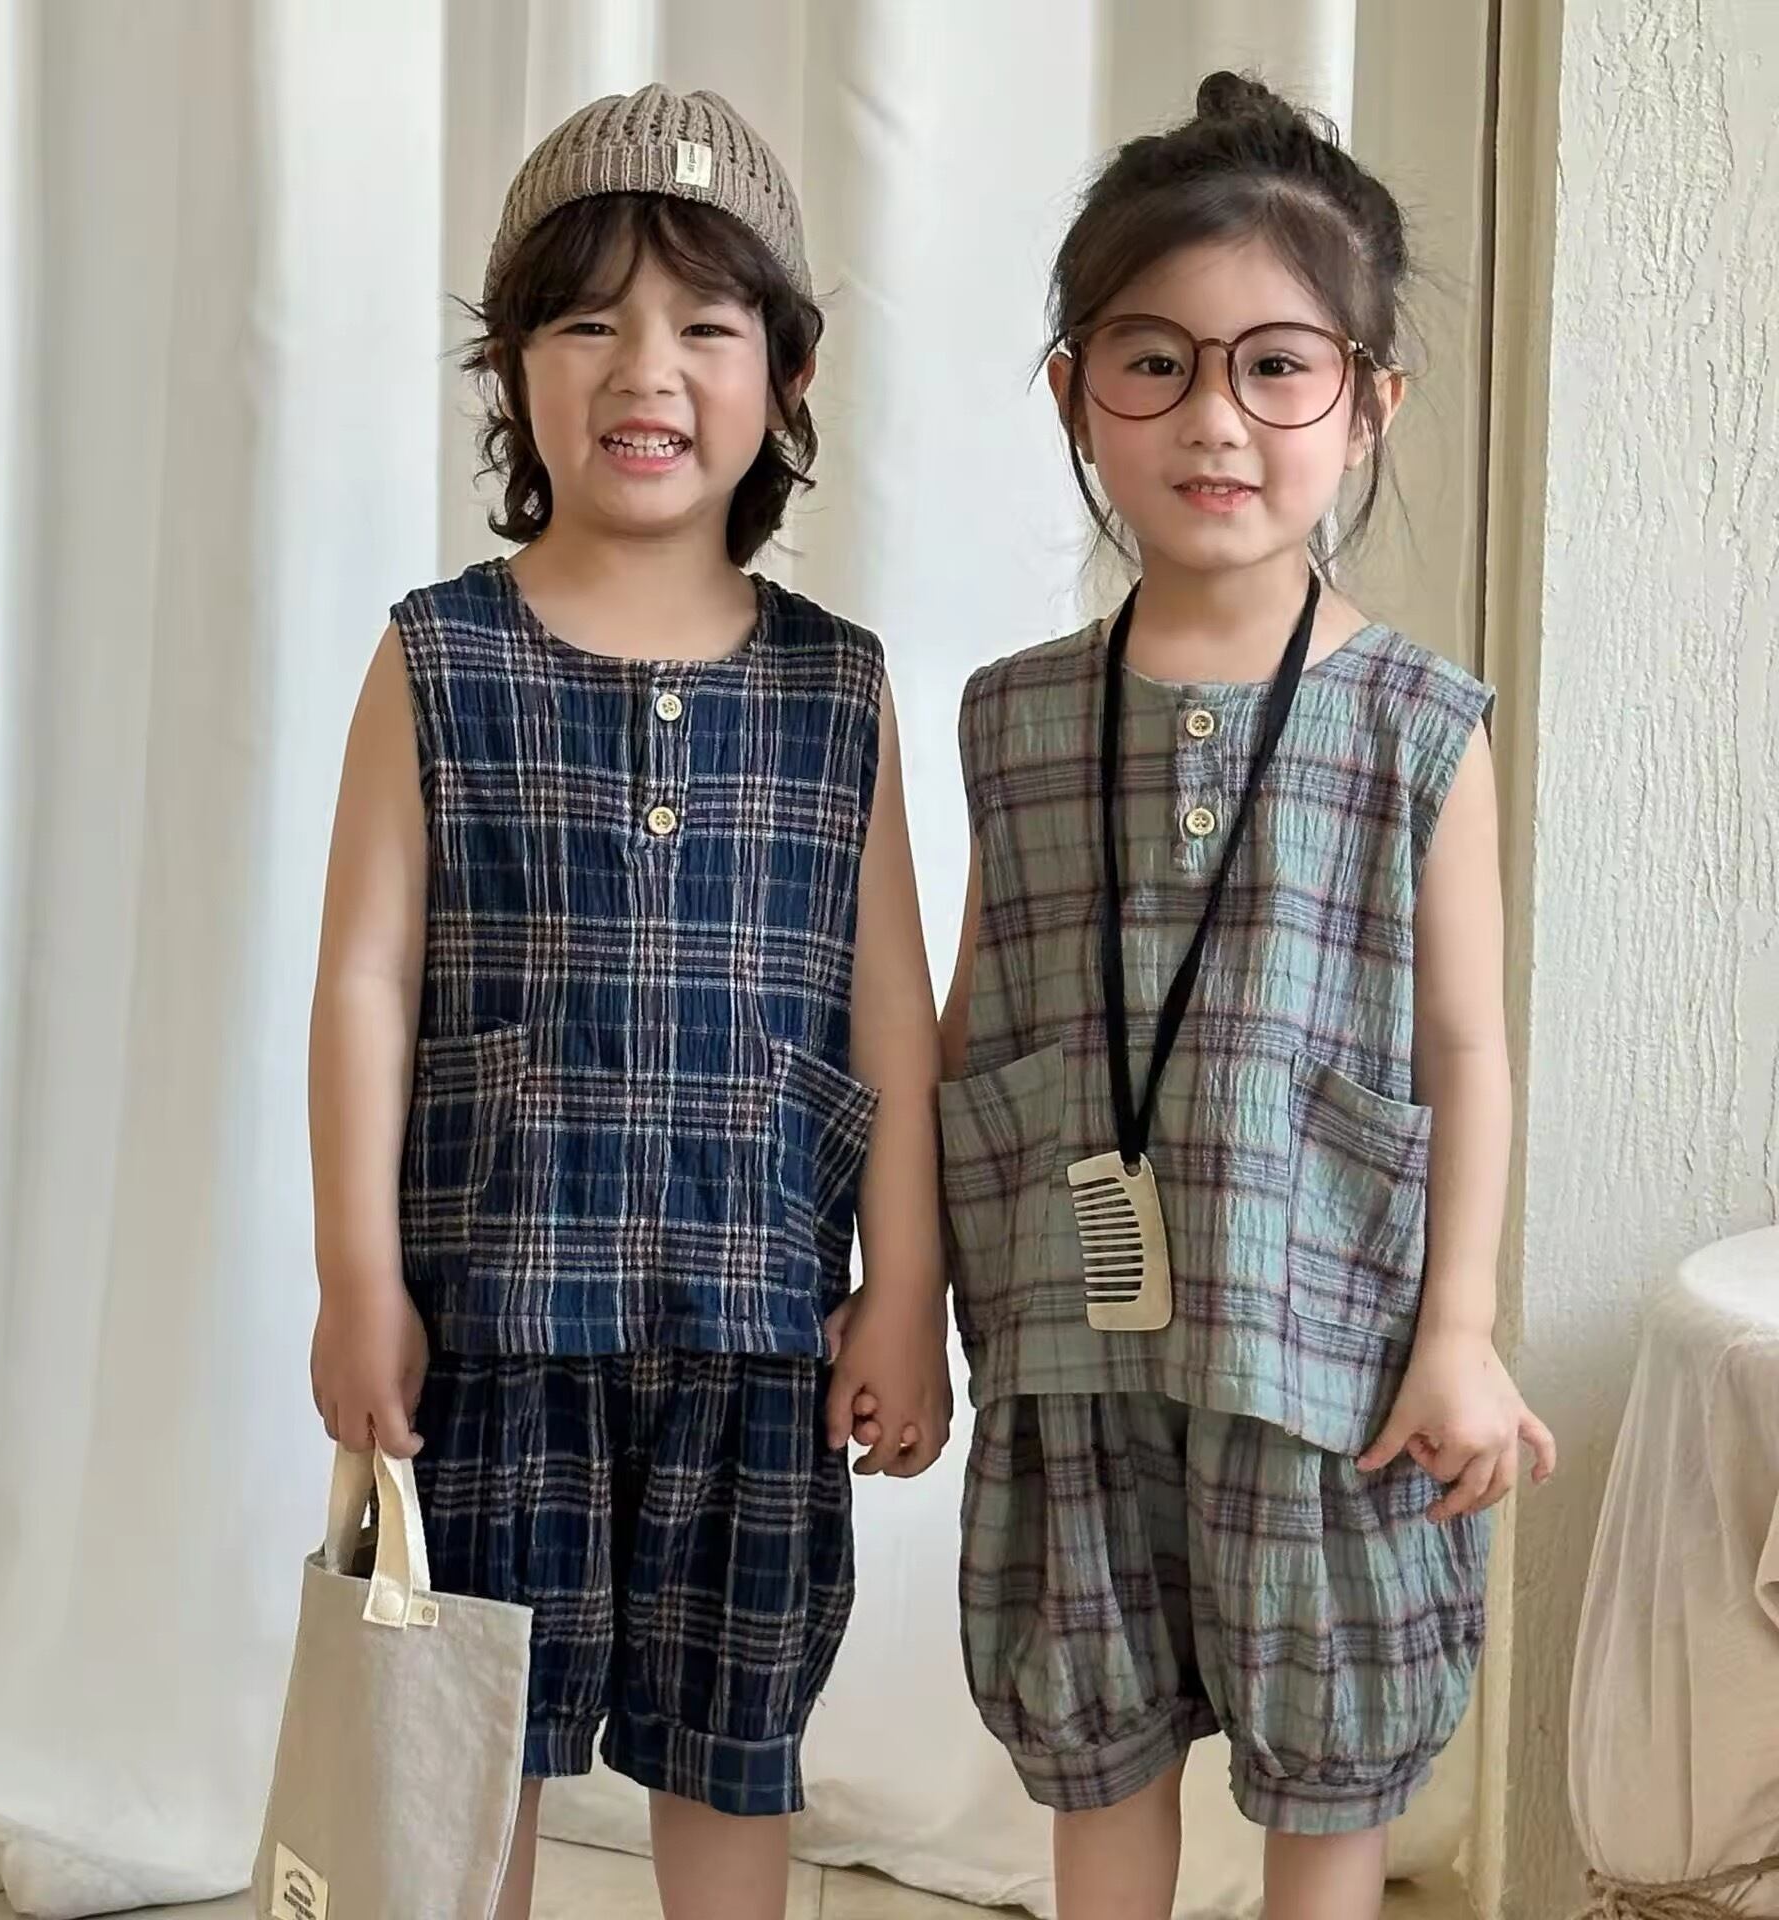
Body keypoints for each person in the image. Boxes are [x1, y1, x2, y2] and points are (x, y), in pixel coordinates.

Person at [305, 85, 950, 1920]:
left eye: (704, 326)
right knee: (465, 1744)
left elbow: (892, 1016)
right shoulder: (439, 655)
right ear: (511, 368)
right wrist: (358, 1279)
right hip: (494, 1324)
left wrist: (905, 1288)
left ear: (788, 379)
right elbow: (363, 981)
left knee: (736, 1744)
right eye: (587, 319)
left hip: (757, 1331)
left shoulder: (839, 690)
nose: (643, 368)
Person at [936, 72, 1558, 1920]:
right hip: (1072, 1337)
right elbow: (977, 1019)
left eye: (1278, 367)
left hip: (1331, 1345)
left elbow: (1467, 1045)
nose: (1217, 417)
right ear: (1076, 392)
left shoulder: (1419, 724)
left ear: (1368, 404)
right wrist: (917, 1283)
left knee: (1330, 1741)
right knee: (1096, 1721)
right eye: (1158, 364)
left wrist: (1459, 1330)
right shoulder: (1015, 714)